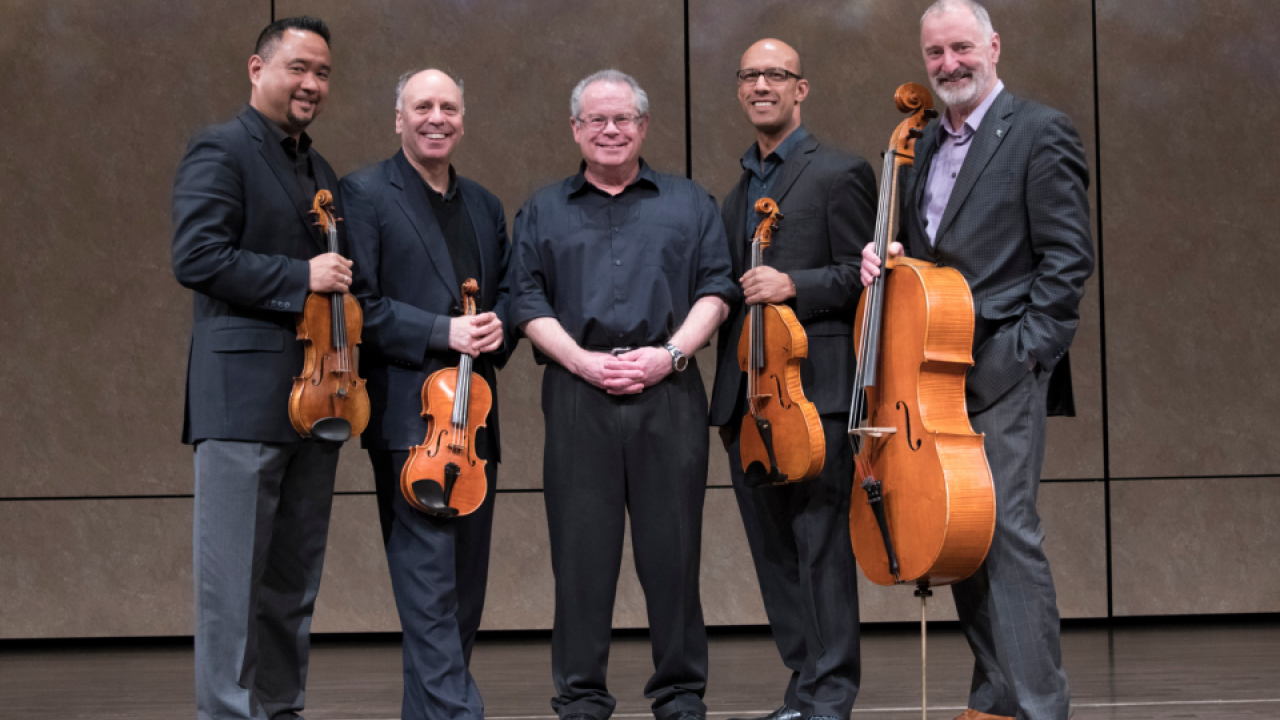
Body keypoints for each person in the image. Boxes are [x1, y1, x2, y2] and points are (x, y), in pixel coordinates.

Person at [861, 2, 1094, 719]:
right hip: (933, 375)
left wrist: (1023, 357)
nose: (948, 65)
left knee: (1011, 537)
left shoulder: (1038, 131)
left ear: (993, 46)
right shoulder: (922, 141)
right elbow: (925, 257)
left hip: (1002, 369)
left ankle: (1040, 707)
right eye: (935, 53)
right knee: (958, 531)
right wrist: (885, 254)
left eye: (960, 48)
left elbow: (1067, 261)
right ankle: (994, 699)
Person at [509, 69, 737, 720]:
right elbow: (526, 300)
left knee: (674, 555)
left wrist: (669, 356)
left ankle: (681, 694)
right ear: (576, 130)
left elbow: (717, 289)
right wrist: (581, 361)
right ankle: (580, 697)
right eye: (596, 120)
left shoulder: (692, 203)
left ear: (643, 126)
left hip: (670, 394)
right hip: (578, 396)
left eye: (623, 119)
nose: (611, 130)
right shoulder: (542, 209)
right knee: (580, 559)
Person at [171, 16, 351, 720]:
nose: (312, 83)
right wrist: (300, 274)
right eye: (299, 67)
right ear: (257, 68)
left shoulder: (319, 168)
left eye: (324, 73)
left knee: (289, 587)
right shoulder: (221, 149)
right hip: (242, 400)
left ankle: (279, 711)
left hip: (317, 402)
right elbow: (196, 257)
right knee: (233, 590)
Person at [708, 39, 876, 720]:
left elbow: (865, 279)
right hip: (749, 398)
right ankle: (803, 684)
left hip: (816, 396)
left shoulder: (841, 172)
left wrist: (792, 284)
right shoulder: (738, 190)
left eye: (775, 75)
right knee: (775, 556)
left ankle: (831, 694)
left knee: (821, 549)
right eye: (749, 75)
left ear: (800, 88)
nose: (761, 85)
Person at [339, 68, 513, 720]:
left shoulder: (486, 206)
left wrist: (498, 329)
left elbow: (506, 311)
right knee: (429, 593)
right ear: (398, 118)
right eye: (422, 106)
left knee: (462, 600)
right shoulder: (363, 192)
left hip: (478, 425)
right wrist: (445, 329)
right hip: (411, 422)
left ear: (463, 120)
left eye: (448, 107)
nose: (435, 117)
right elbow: (360, 307)